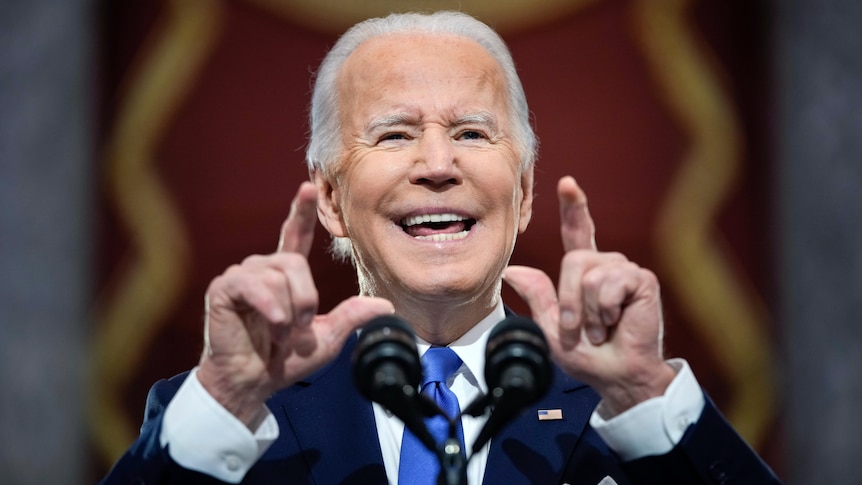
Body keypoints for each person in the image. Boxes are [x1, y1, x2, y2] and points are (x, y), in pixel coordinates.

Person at [101, 11, 780, 485]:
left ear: (524, 189)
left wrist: (641, 391)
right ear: (331, 199)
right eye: (394, 134)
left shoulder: (630, 410)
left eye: (473, 134)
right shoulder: (236, 410)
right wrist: (222, 398)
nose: (437, 163)